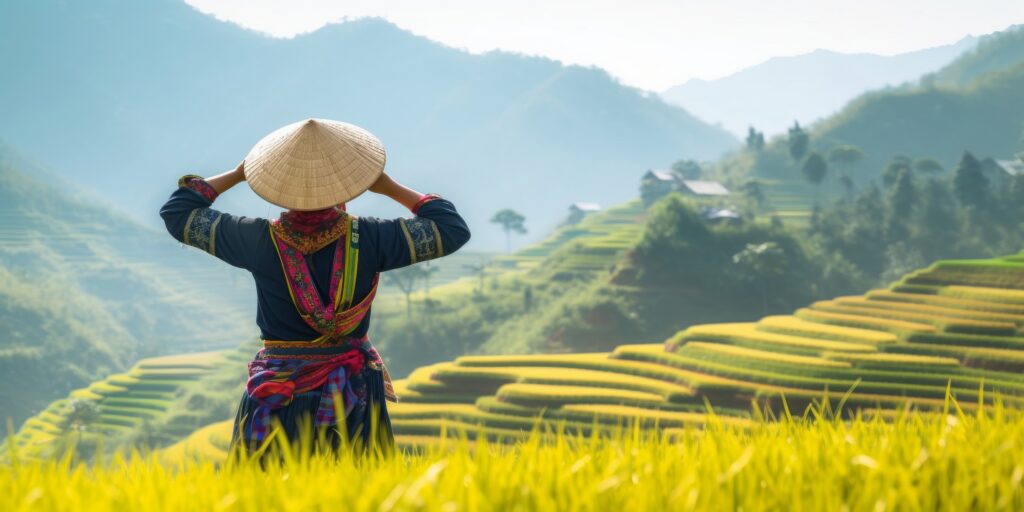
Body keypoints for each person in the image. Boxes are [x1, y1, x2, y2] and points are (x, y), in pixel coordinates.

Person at [159, 118, 470, 457]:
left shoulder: (254, 239)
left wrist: (237, 174)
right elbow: (451, 229)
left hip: (278, 388)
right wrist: (388, 186)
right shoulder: (374, 238)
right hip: (351, 392)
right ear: (348, 186)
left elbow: (178, 213)